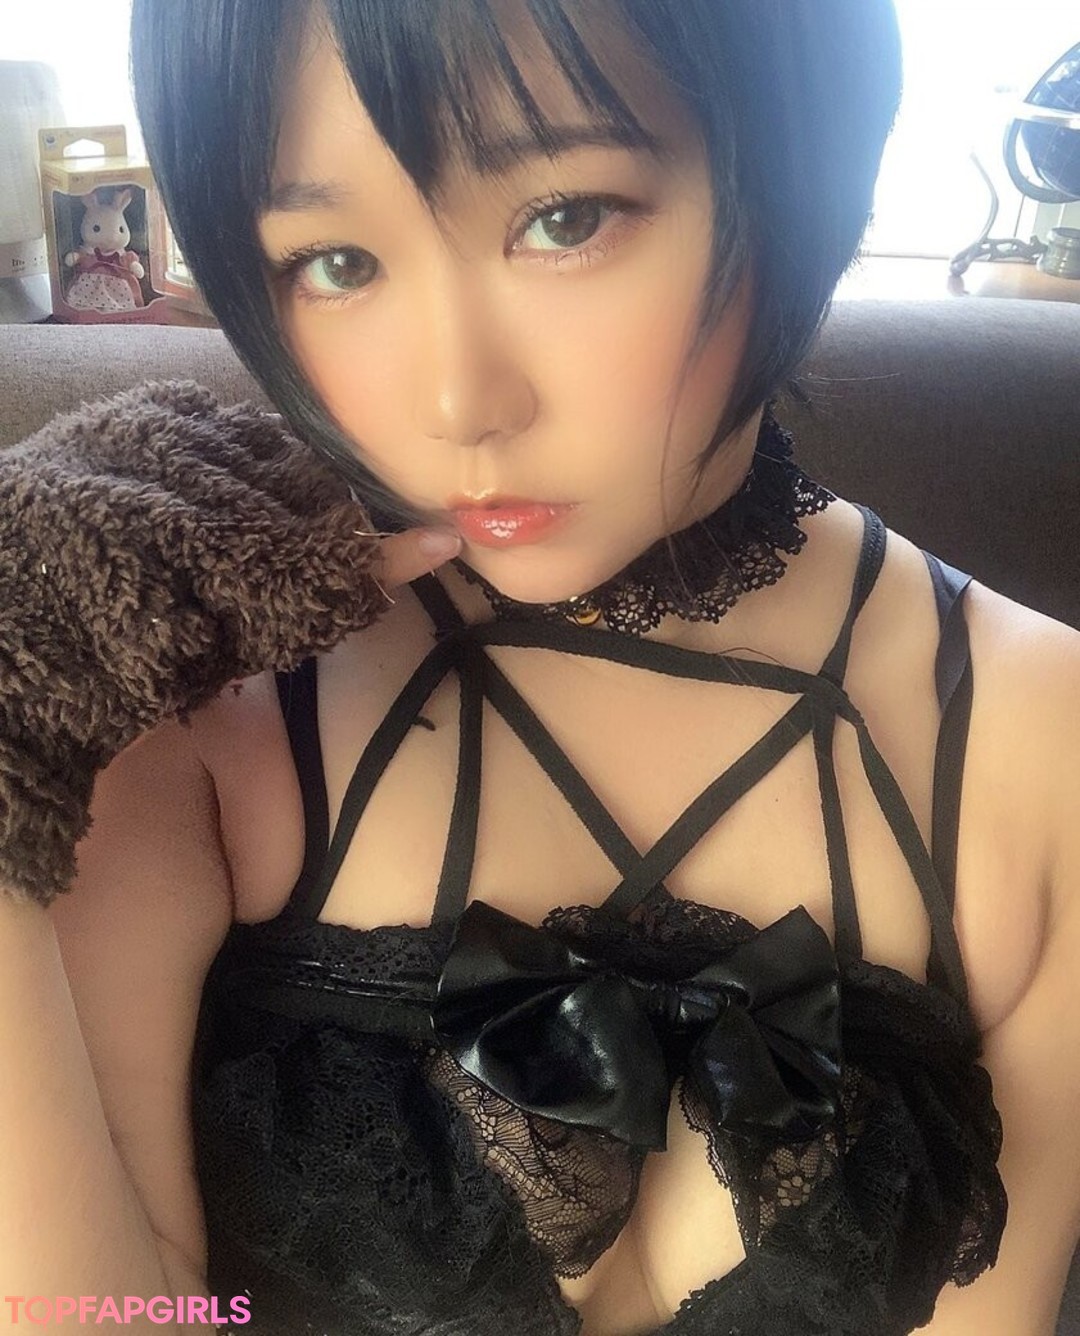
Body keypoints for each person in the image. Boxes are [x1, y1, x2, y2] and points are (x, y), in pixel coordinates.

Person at [1, 1, 1078, 1333]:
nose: (460, 402)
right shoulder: (197, 700)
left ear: (795, 158)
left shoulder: (1042, 739)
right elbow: (113, 1316)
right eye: (336, 260)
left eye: (565, 219)